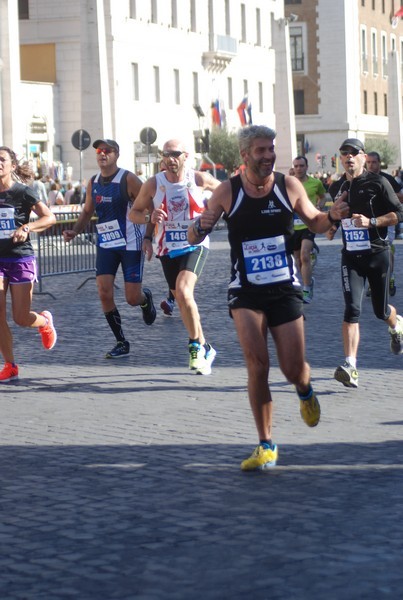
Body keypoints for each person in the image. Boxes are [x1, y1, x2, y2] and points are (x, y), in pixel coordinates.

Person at [187, 125, 349, 470]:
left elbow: (316, 222)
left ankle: (304, 389)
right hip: (245, 290)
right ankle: (266, 444)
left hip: (283, 288)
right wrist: (202, 225)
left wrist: (332, 215)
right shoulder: (228, 191)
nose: (268, 155)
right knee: (257, 365)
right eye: (261, 150)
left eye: (271, 149)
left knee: (292, 368)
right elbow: (192, 232)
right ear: (245, 155)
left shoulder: (286, 185)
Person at [129, 138, 220, 374]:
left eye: (175, 154)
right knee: (181, 299)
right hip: (167, 249)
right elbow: (134, 213)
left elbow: (225, 196)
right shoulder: (152, 184)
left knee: (183, 291)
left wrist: (211, 217)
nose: (170, 159)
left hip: (195, 244)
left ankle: (194, 348)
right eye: (165, 154)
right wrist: (149, 222)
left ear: (185, 156)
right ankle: (205, 346)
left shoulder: (198, 179)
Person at [63, 138, 156, 358]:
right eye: (98, 150)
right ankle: (121, 342)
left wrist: (148, 237)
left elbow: (152, 209)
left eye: (107, 150)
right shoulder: (93, 181)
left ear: (116, 154)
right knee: (104, 292)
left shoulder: (129, 179)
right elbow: (87, 211)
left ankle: (145, 299)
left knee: (132, 298)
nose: (102, 154)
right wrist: (75, 230)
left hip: (130, 244)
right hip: (106, 243)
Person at [328, 138, 403, 389]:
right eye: (343, 154)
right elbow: (338, 215)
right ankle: (351, 366)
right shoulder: (336, 188)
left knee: (380, 311)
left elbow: (398, 214)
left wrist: (372, 222)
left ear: (362, 157)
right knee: (352, 309)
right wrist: (333, 224)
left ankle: (397, 324)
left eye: (353, 153)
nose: (348, 157)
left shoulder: (379, 182)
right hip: (351, 257)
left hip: (377, 255)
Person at [0, 146, 58, 383]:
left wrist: (27, 227)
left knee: (21, 318)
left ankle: (44, 321)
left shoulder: (23, 192)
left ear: (12, 166)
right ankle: (10, 364)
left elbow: (49, 217)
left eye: (1, 160)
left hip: (21, 258)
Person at [365, 151, 403, 297]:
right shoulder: (362, 179)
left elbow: (401, 197)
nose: (371, 165)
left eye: (374, 162)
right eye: (368, 162)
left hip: (388, 220)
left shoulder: (387, 178)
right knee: (369, 252)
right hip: (368, 221)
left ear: (379, 163)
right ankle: (373, 282)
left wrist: (389, 196)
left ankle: (390, 277)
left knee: (386, 250)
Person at [291, 156, 327, 303]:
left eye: (301, 166)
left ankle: (306, 289)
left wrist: (320, 206)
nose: (298, 168)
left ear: (307, 167)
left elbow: (323, 197)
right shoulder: (288, 183)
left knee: (305, 255)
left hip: (309, 224)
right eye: (296, 166)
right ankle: (309, 280)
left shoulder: (315, 182)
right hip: (293, 226)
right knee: (298, 260)